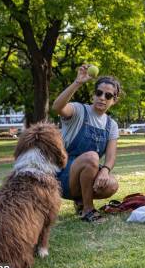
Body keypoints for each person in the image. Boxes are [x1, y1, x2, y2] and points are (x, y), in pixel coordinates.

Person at [52, 65, 121, 222]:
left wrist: (105, 171)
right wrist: (78, 82)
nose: (102, 97)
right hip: (62, 175)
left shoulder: (112, 125)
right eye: (99, 93)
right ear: (93, 95)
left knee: (112, 185)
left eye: (108, 95)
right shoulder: (78, 110)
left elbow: (110, 157)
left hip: (87, 173)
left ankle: (81, 200)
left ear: (114, 100)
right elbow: (57, 107)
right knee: (92, 157)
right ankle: (88, 210)